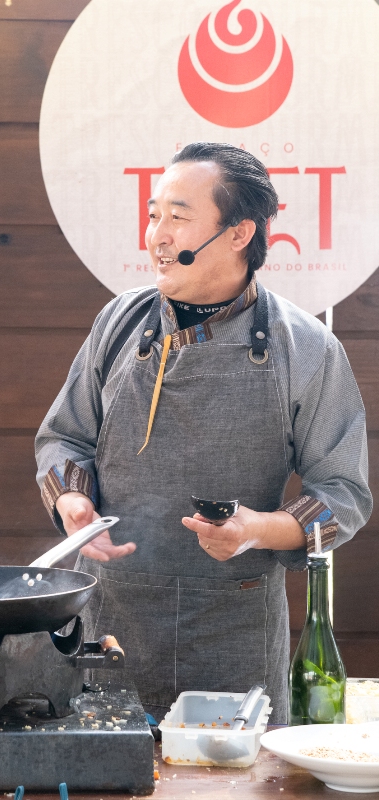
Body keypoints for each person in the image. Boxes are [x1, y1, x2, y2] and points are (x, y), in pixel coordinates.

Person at [35, 142, 372, 722]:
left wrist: (257, 530)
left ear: (240, 233)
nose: (157, 236)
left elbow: (344, 495)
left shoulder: (306, 347)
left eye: (178, 217)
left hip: (235, 634)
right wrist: (72, 501)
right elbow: (64, 438)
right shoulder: (118, 323)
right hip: (111, 626)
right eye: (153, 216)